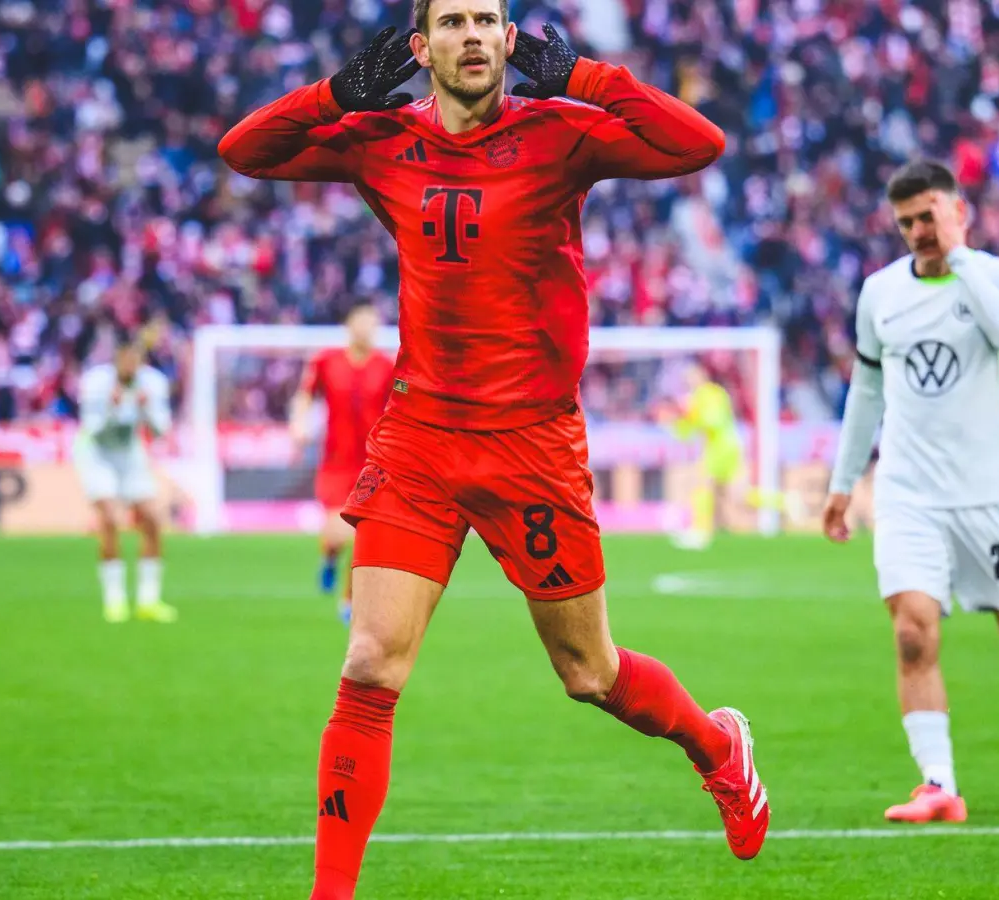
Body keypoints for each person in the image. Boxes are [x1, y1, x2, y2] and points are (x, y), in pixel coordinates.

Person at [219, 4, 768, 897]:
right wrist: (332, 92)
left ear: (510, 40)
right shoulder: (381, 139)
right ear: (421, 46)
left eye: (487, 20)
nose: (471, 35)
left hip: (532, 445)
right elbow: (244, 151)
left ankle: (716, 744)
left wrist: (585, 77)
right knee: (370, 663)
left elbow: (696, 143)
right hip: (422, 438)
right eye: (452, 21)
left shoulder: (561, 134)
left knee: (589, 674)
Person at [822, 160, 999, 822]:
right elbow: (865, 391)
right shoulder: (879, 293)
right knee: (912, 634)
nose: (918, 232)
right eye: (906, 222)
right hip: (908, 494)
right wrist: (843, 484)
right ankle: (938, 783)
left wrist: (960, 258)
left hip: (989, 494)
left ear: (961, 212)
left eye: (929, 216)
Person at [289, 303, 395, 624]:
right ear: (348, 324)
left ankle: (349, 599)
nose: (367, 327)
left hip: (374, 464)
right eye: (362, 320)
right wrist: (299, 423)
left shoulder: (387, 366)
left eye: (372, 322)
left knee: (364, 534)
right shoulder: (326, 360)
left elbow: (397, 409)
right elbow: (305, 395)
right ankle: (329, 558)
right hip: (335, 463)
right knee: (336, 534)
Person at [72, 334, 177, 624]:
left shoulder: (153, 383)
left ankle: (148, 600)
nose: (131, 364)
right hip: (97, 454)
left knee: (153, 518)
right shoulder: (95, 383)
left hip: (131, 452)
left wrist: (144, 409)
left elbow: (160, 432)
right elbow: (92, 430)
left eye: (136, 358)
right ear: (116, 358)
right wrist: (111, 407)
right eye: (125, 357)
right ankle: (114, 600)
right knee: (109, 518)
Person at [657, 359, 748, 550]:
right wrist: (673, 423)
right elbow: (688, 431)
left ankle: (701, 531)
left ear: (702, 375)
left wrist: (690, 414)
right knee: (734, 495)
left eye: (692, 375)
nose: (689, 380)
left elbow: (715, 420)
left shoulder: (714, 393)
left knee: (703, 484)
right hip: (715, 447)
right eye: (686, 378)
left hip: (724, 445)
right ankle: (785, 502)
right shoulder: (696, 397)